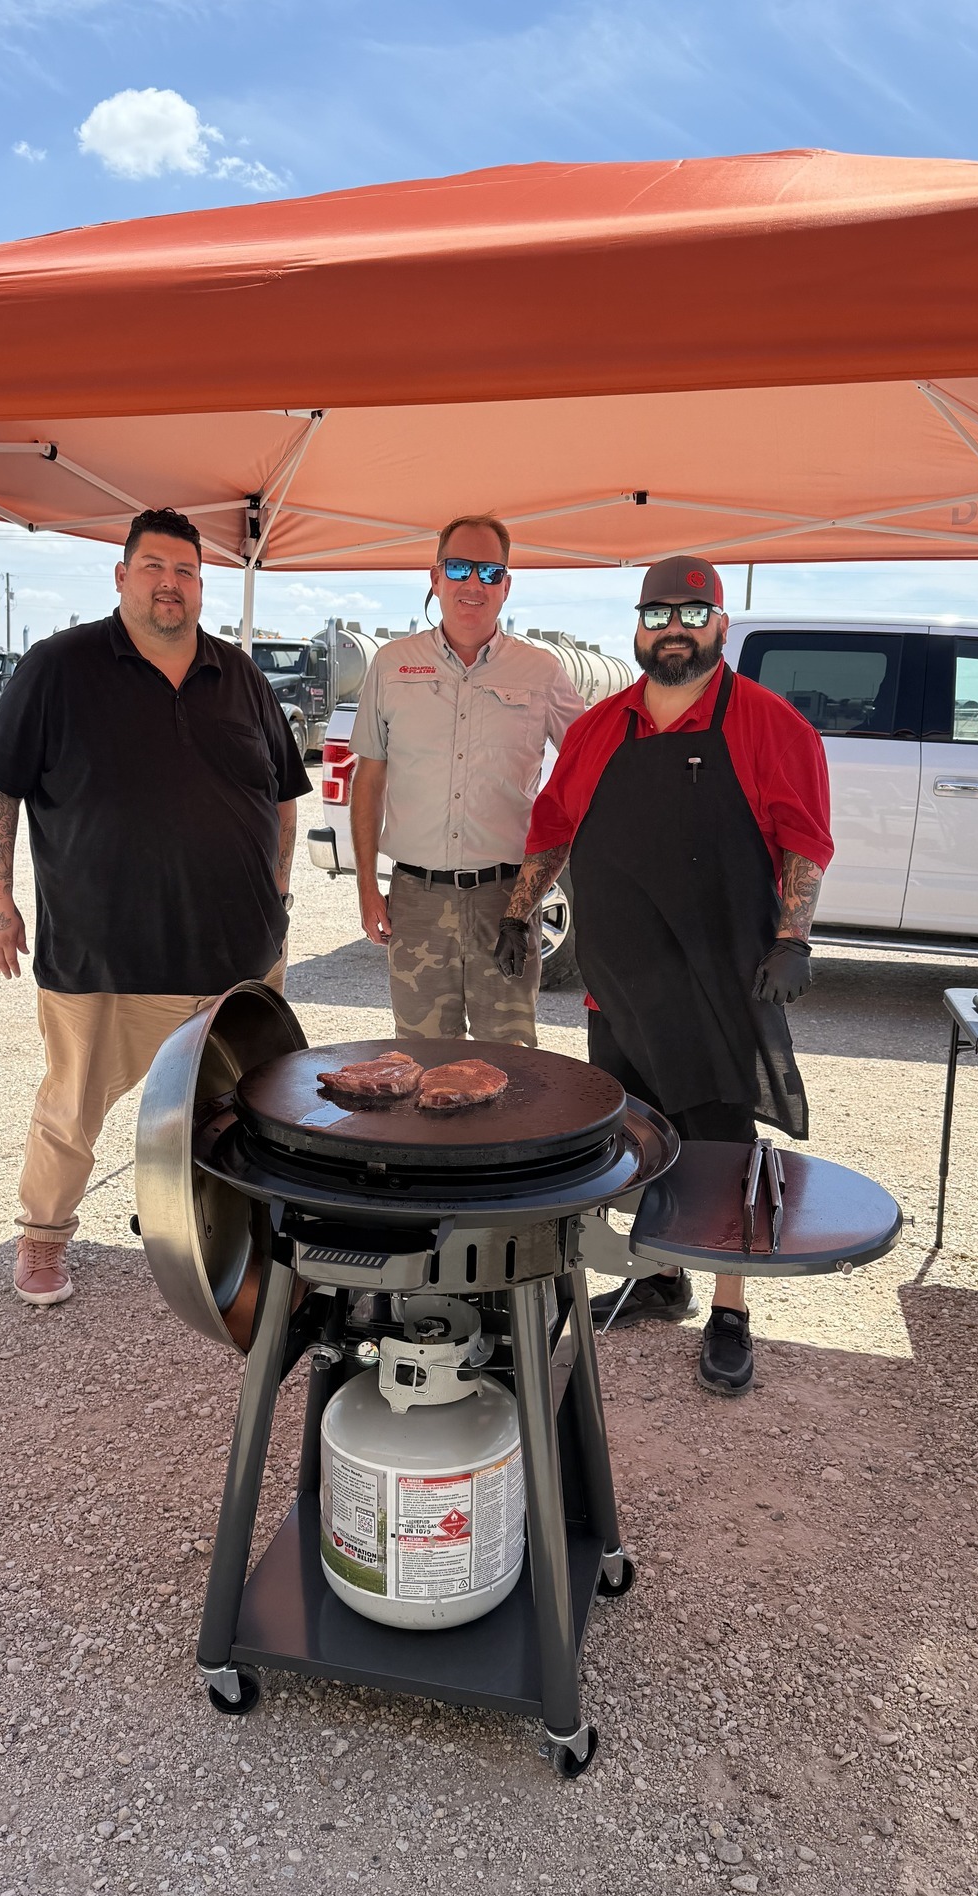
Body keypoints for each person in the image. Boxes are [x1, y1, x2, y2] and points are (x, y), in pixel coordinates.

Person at [498, 555, 832, 1394]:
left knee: (723, 1146)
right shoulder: (600, 727)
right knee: (638, 1135)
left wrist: (793, 937)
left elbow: (803, 840)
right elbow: (554, 825)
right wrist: (518, 911)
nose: (672, 629)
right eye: (656, 615)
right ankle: (660, 1275)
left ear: (720, 625)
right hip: (620, 975)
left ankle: (731, 1310)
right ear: (637, 626)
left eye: (691, 613)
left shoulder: (770, 724)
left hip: (720, 975)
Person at [0, 507, 311, 1308]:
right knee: (71, 1107)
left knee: (248, 1110)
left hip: (238, 954)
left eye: (186, 571)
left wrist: (279, 887)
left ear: (202, 584)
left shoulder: (241, 675)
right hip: (105, 955)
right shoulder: (57, 667)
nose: (171, 584)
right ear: (122, 577)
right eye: (154, 567)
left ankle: (237, 1238)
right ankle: (44, 1236)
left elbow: (286, 795)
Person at [349, 515, 583, 1044]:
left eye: (488, 570)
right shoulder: (391, 666)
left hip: (507, 903)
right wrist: (368, 886)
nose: (472, 583)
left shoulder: (541, 672)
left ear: (506, 584)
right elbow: (369, 781)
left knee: (511, 1065)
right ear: (435, 578)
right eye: (457, 568)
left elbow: (588, 768)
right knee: (421, 1062)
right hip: (415, 898)